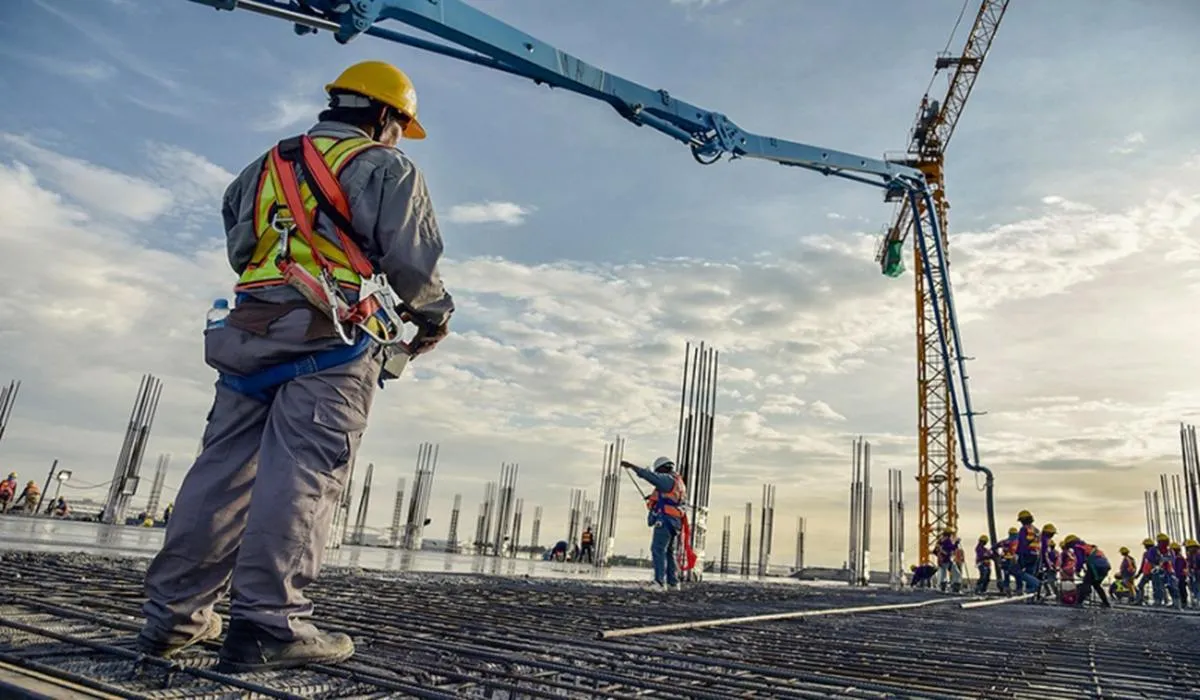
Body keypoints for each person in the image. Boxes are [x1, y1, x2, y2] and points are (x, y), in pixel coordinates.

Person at [136, 60, 454, 673]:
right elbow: (413, 263)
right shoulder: (387, 167)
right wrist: (435, 317)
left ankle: (172, 619)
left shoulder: (262, 167)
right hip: (330, 340)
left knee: (221, 474)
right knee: (304, 474)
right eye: (398, 126)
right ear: (385, 117)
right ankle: (267, 624)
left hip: (249, 333)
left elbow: (240, 246)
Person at [623, 456, 686, 591]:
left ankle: (659, 582)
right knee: (669, 552)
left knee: (658, 549)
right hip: (675, 521)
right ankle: (673, 583)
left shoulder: (666, 479)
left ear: (663, 468)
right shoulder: (678, 481)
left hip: (665, 520)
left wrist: (632, 466)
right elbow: (670, 499)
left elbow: (649, 476)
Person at [1061, 535, 1111, 608]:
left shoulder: (1077, 547)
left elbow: (1080, 560)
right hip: (1105, 566)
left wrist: (1078, 570)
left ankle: (1079, 602)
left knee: (1086, 583)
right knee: (1096, 585)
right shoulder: (1087, 546)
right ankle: (1106, 603)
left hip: (1095, 566)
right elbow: (1088, 559)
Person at [934, 527, 962, 593]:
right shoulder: (946, 540)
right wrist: (956, 543)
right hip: (945, 560)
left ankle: (944, 587)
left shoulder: (941, 540)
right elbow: (951, 548)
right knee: (955, 573)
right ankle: (953, 587)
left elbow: (936, 551)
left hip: (947, 560)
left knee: (946, 574)